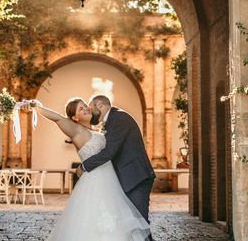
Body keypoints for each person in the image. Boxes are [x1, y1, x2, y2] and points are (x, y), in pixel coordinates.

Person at [21, 97, 151, 241]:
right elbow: (57, 119)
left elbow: (110, 151)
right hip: (94, 181)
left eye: (85, 106)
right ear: (75, 117)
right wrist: (37, 107)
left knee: (119, 222)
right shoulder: (76, 129)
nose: (86, 109)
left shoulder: (98, 129)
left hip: (111, 182)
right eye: (81, 109)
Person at [80, 95, 155, 228]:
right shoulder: (112, 120)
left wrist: (84, 166)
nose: (91, 113)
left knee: (140, 224)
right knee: (132, 225)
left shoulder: (119, 118)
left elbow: (109, 152)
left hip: (136, 178)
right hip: (128, 178)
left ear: (100, 105)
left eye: (91, 109)